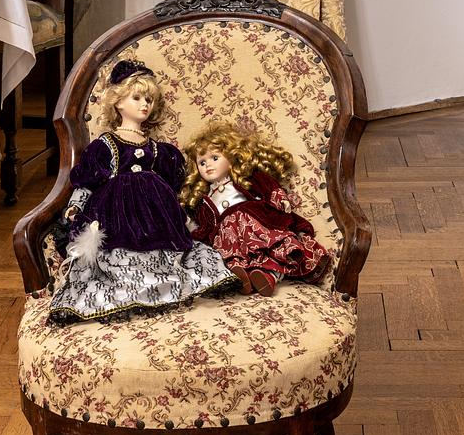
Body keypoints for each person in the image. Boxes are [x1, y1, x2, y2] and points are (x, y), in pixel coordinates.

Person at [49, 60, 238, 325]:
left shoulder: (159, 150)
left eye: (148, 99)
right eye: (136, 98)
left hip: (155, 215)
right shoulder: (106, 144)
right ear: (118, 102)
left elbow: (171, 189)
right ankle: (129, 286)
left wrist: (181, 213)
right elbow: (88, 182)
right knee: (118, 254)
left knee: (169, 252)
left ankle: (162, 285)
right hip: (117, 213)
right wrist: (75, 206)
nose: (144, 105)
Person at [180, 122, 330, 296]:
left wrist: (279, 199)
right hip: (230, 237)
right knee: (229, 254)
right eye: (202, 162)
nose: (208, 165)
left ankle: (269, 276)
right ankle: (242, 277)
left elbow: (268, 187)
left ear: (231, 157)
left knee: (272, 251)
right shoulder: (205, 200)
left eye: (214, 158)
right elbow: (206, 226)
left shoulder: (245, 179)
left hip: (254, 224)